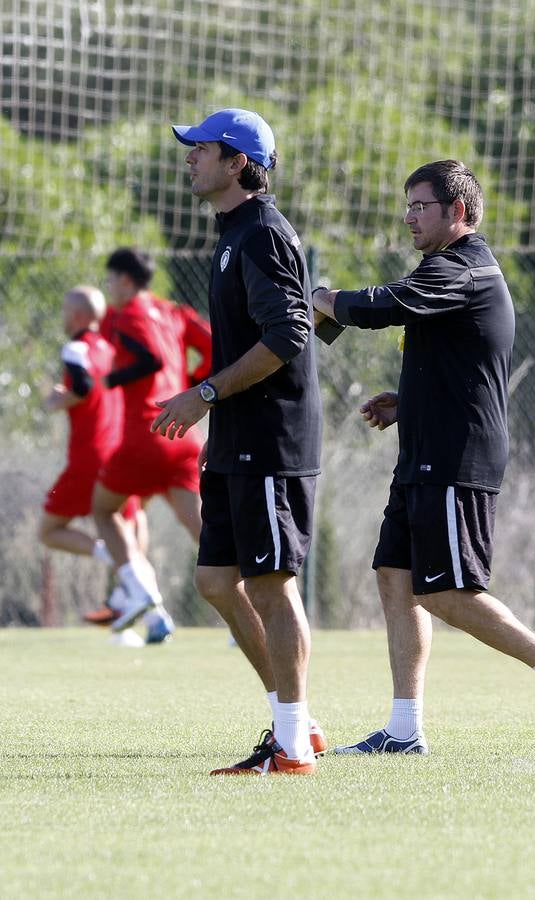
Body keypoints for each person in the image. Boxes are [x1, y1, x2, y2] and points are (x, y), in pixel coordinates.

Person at [312, 159, 535, 756]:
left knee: (446, 592)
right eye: (409, 204)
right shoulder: (442, 271)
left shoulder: (464, 268)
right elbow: (452, 358)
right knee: (394, 575)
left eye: (421, 205)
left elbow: (385, 305)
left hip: (455, 457)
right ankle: (403, 729)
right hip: (422, 449)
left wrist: (326, 299)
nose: (409, 216)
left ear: (458, 213)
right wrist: (408, 402)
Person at [151, 107, 325, 775]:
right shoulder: (233, 235)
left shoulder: (261, 235)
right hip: (236, 436)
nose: (189, 157)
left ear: (237, 162)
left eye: (202, 148)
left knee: (273, 584)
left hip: (270, 437)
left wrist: (204, 393)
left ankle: (289, 745)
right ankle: (297, 720)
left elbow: (288, 336)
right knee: (218, 581)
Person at [92, 248, 208, 644]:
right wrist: (192, 386)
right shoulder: (173, 311)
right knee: (205, 533)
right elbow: (214, 347)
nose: (108, 288)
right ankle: (255, 605)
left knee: (105, 510)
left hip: (143, 436)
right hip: (180, 435)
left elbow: (151, 358)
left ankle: (137, 594)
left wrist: (108, 381)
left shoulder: (126, 315)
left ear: (125, 281)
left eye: (110, 281)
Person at [38, 286, 148, 625]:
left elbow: (82, 387)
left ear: (75, 315)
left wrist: (58, 400)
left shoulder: (75, 347)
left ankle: (113, 562)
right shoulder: (111, 349)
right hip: (118, 453)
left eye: (65, 310)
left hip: (89, 457)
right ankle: (141, 607)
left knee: (48, 530)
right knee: (130, 524)